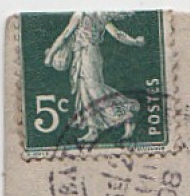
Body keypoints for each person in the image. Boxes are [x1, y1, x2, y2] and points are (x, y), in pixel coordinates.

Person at [44, 13, 145, 143]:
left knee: (94, 90)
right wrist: (135, 41)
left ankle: (126, 114)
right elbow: (118, 34)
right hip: (87, 54)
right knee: (84, 91)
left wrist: (50, 55)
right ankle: (93, 129)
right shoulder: (101, 14)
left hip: (87, 55)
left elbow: (64, 36)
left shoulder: (81, 14)